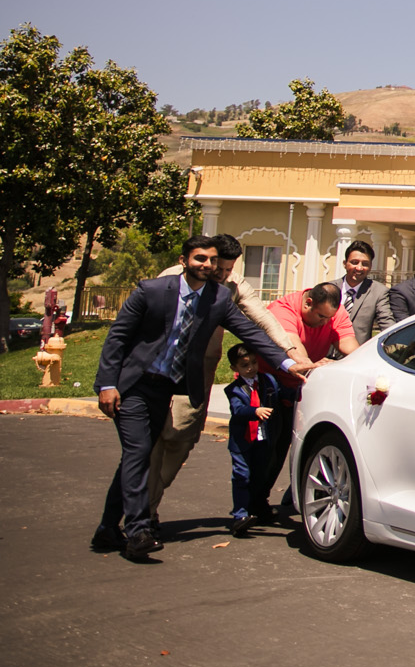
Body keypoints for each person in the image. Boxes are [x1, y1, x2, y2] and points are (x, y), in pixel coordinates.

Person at [93, 236, 298, 562]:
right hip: (133, 385)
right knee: (140, 451)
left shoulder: (219, 298)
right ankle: (138, 532)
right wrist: (107, 384)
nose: (208, 265)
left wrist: (288, 360)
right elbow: (118, 336)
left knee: (134, 458)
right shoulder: (153, 289)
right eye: (200, 258)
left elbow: (253, 330)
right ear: (184, 259)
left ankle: (107, 528)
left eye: (213, 260)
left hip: (166, 388)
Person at [145, 234, 310, 529]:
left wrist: (292, 356)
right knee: (150, 442)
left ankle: (147, 499)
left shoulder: (233, 287)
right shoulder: (171, 278)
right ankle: (144, 512)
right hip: (156, 371)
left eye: (227, 270)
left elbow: (262, 321)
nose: (221, 276)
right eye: (217, 269)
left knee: (182, 439)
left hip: (197, 375)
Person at [256, 282, 355, 518]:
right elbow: (293, 349)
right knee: (270, 447)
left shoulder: (334, 311)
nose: (324, 322)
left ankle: (296, 498)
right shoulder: (282, 311)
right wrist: (314, 364)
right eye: (320, 316)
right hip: (272, 382)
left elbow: (348, 345)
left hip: (304, 384)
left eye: (328, 318)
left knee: (303, 444)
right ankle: (254, 502)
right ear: (307, 302)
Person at [223, 344, 280, 537]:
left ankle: (254, 509)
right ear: (234, 368)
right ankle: (239, 515)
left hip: (263, 438)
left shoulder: (268, 381)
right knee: (242, 475)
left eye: (254, 362)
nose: (251, 368)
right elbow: (237, 410)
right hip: (243, 440)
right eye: (244, 365)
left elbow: (281, 396)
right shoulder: (234, 389)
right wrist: (255, 411)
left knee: (259, 475)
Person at [335, 240, 394, 340]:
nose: (359, 268)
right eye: (354, 262)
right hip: (324, 353)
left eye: (365, 264)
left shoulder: (378, 292)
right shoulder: (329, 288)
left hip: (357, 353)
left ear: (370, 266)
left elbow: (386, 322)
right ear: (345, 264)